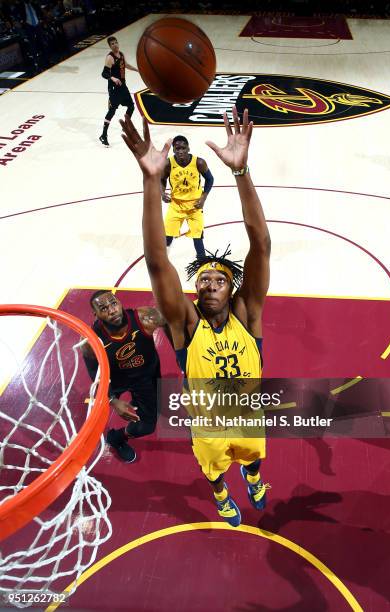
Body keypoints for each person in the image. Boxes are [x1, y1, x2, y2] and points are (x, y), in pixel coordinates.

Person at [120, 107, 271, 526]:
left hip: (249, 415)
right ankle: (224, 497)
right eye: (202, 279)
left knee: (253, 459)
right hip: (207, 427)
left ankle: (254, 480)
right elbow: (156, 261)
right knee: (214, 471)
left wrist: (242, 173)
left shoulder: (248, 314)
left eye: (217, 279)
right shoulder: (186, 326)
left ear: (232, 288)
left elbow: (260, 244)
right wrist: (152, 181)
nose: (207, 283)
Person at [81, 290, 166, 463]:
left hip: (146, 375)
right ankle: (116, 438)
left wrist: (182, 355)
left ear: (119, 302)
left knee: (152, 418)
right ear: (95, 314)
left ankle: (136, 402)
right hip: (117, 379)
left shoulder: (144, 317)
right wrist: (112, 400)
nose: (112, 311)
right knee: (145, 426)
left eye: (113, 304)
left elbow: (173, 323)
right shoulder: (91, 342)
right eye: (103, 308)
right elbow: (94, 374)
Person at [161, 136, 214, 258]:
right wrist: (162, 193)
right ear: (173, 150)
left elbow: (210, 179)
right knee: (168, 236)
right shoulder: (168, 164)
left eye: (183, 148)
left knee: (197, 237)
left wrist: (203, 198)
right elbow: (161, 179)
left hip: (194, 206)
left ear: (188, 148)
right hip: (176, 205)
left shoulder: (199, 162)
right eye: (177, 148)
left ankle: (201, 263)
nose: (180, 151)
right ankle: (162, 260)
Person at [99, 36, 138, 147]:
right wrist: (113, 78)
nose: (115, 45)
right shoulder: (110, 58)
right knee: (111, 112)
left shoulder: (121, 54)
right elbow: (104, 74)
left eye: (116, 42)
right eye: (112, 44)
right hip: (114, 88)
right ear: (110, 46)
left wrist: (137, 70)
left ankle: (125, 127)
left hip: (123, 86)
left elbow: (126, 65)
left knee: (131, 106)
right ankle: (103, 135)